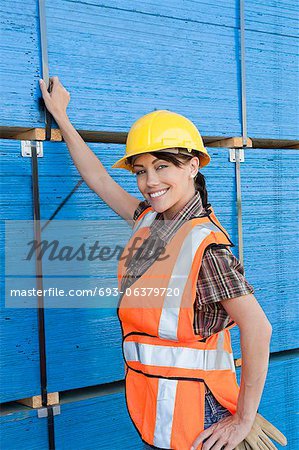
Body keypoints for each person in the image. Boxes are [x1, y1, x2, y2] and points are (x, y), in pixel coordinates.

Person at [39, 77, 273, 450]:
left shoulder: (207, 248)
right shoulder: (149, 220)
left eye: (163, 166)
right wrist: (62, 118)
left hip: (201, 412)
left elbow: (259, 329)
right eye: (141, 171)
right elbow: (98, 179)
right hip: (160, 400)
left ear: (192, 166)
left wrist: (243, 418)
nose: (149, 181)